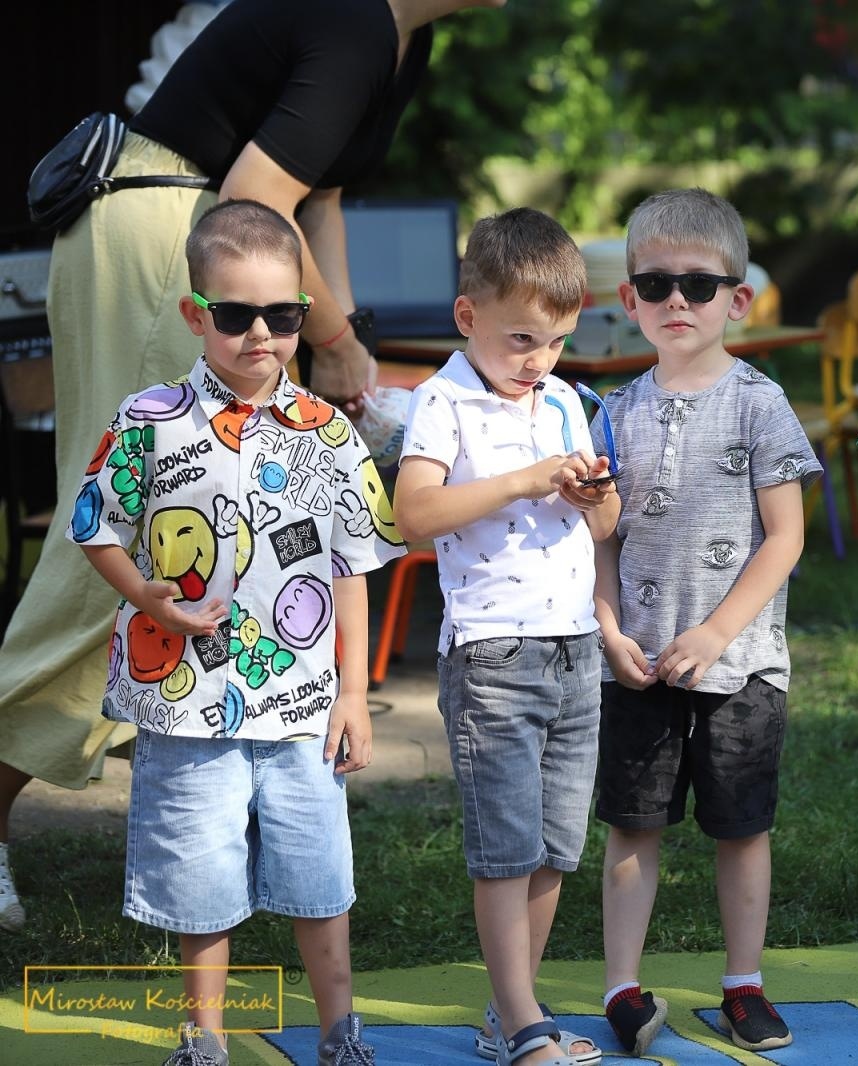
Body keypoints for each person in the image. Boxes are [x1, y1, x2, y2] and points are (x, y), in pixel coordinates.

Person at [0, 0, 504, 931]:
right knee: (117, 541)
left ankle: (240, 806)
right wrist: (336, 337)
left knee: (251, 535)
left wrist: (348, 345)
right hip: (172, 253)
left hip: (211, 256)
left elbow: (322, 198)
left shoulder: (402, 41)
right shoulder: (354, 23)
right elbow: (258, 199)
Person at [70, 199, 404, 1065]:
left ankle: (342, 1032)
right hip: (188, 707)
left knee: (318, 880)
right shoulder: (149, 419)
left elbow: (352, 566)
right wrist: (147, 597)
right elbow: (96, 524)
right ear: (195, 314)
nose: (261, 334)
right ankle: (204, 1039)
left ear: (303, 313)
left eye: (284, 315)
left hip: (302, 707)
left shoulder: (329, 433)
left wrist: (356, 694)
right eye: (235, 314)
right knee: (201, 882)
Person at [591, 188, 818, 1057]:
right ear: (629, 302)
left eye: (697, 283)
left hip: (741, 665)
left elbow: (787, 537)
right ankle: (621, 985)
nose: (676, 301)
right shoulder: (611, 411)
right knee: (633, 823)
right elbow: (601, 543)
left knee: (740, 828)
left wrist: (719, 633)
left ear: (739, 299)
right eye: (655, 284)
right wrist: (611, 631)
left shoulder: (762, 403)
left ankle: (742, 983)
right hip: (639, 663)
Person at [392, 208, 618, 1066]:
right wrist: (525, 479)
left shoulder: (565, 401)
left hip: (573, 651)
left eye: (556, 341)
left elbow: (605, 530)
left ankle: (507, 1010)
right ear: (467, 317)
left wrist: (597, 500)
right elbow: (415, 516)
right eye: (522, 338)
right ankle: (524, 1020)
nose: (539, 360)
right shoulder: (442, 400)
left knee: (556, 845)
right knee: (505, 850)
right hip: (491, 655)